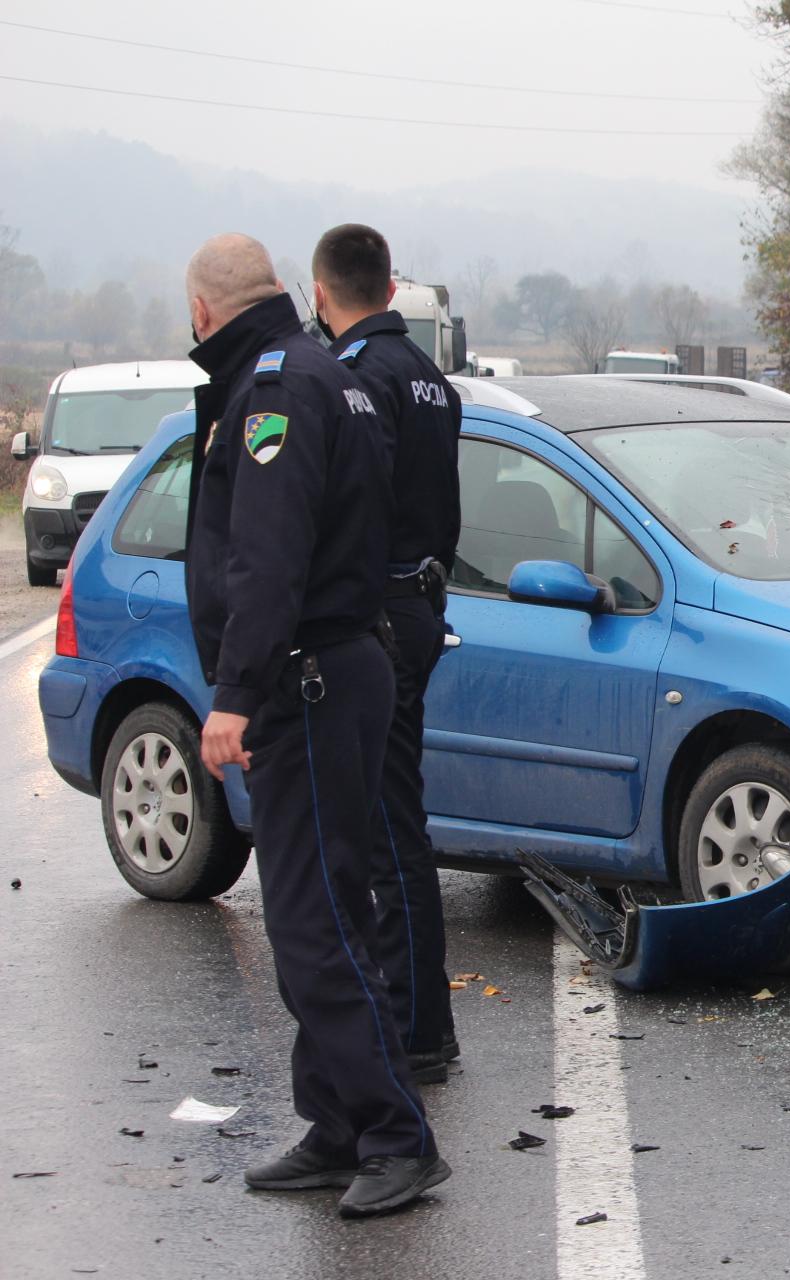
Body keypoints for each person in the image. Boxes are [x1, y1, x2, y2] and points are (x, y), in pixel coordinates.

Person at [183, 233, 448, 1217]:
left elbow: (269, 555)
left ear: (205, 311)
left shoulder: (275, 390)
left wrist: (234, 693)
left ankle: (394, 1133)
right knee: (334, 906)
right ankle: (338, 1122)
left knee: (315, 921)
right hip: (344, 662)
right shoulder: (327, 373)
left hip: (311, 678)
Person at [310, 224, 463, 1085]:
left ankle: (416, 1026)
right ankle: (418, 1018)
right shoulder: (431, 379)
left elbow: (357, 509)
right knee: (392, 823)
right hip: (423, 600)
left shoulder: (362, 378)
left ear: (323, 293)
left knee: (387, 829)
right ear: (391, 287)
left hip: (384, 612)